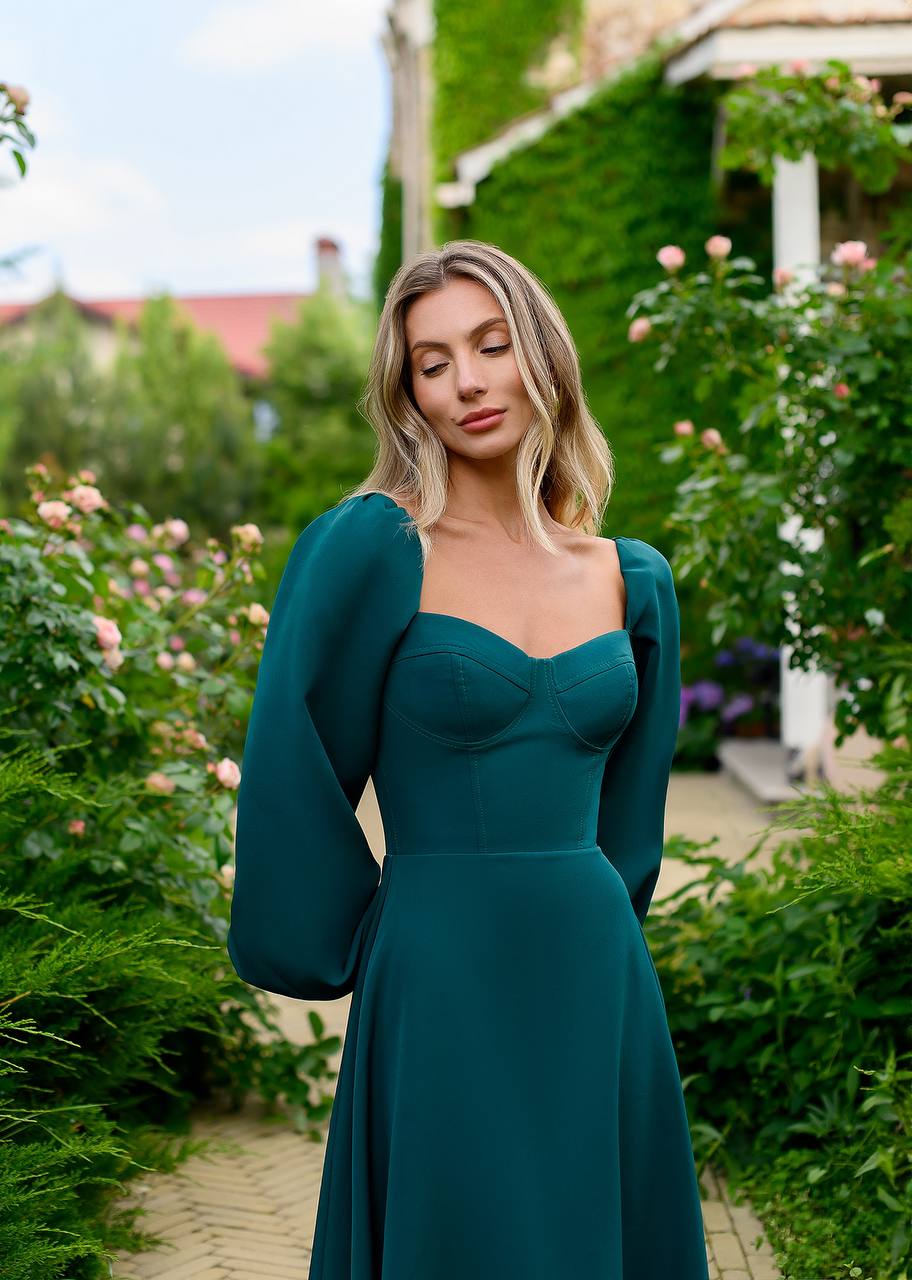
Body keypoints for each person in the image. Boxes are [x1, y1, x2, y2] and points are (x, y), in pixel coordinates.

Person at [227, 239, 710, 1279]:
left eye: (491, 346)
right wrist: (361, 941)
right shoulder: (372, 547)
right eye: (432, 362)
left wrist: (595, 928)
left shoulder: (634, 578)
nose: (468, 382)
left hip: (593, 968)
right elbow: (292, 761)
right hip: (435, 963)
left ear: (541, 356)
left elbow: (632, 816)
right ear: (407, 392)